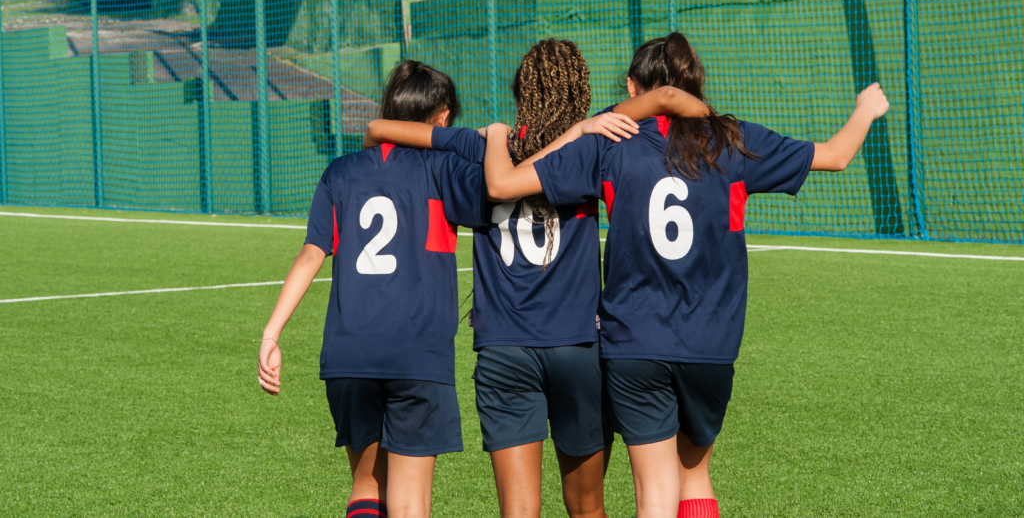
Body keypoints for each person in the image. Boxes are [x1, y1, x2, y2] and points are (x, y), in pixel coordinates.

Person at [481, 33, 891, 518]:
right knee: (694, 474)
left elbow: (505, 184)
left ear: (633, 87)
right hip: (710, 342)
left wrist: (578, 127)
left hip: (633, 342)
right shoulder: (732, 139)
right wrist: (866, 109)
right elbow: (837, 155)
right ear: (698, 83)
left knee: (654, 490)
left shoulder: (611, 141)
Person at [362, 38, 708, 518]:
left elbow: (380, 128)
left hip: (503, 351)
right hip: (577, 347)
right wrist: (592, 125)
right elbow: (664, 98)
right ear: (581, 93)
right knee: (587, 507)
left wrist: (480, 135)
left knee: (519, 511)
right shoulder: (594, 146)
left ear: (520, 91)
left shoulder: (484, 146)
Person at [257, 60, 488, 518]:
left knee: (365, 487)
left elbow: (310, 254)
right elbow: (495, 183)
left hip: (349, 355)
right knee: (409, 503)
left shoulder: (340, 173)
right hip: (417, 353)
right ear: (441, 117)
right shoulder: (443, 169)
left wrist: (271, 333)